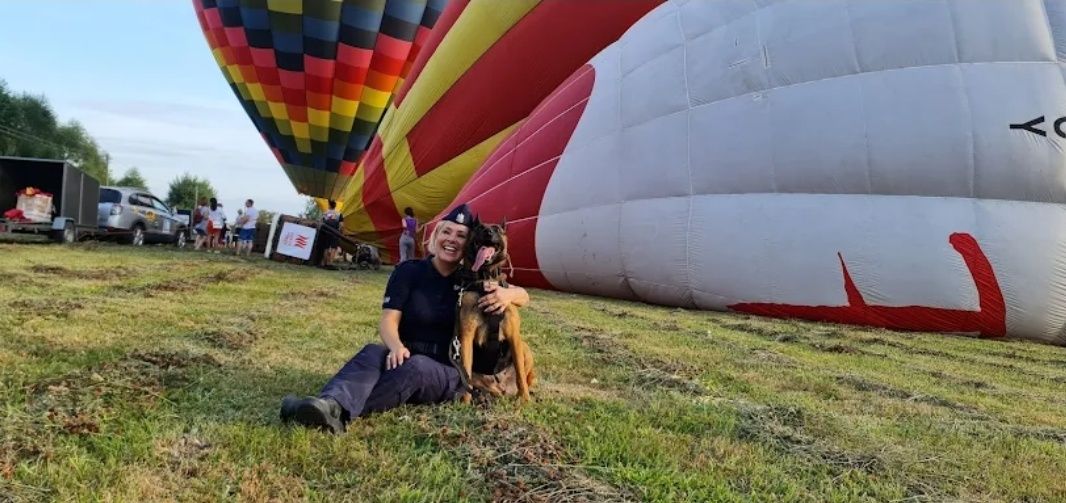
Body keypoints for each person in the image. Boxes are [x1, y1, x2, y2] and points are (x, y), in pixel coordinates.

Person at [280, 203, 530, 434]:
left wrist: (510, 294)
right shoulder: (409, 271)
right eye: (447, 232)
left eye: (461, 236)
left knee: (416, 368)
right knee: (372, 353)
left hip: (447, 369)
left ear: (470, 245)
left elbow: (522, 296)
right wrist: (397, 347)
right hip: (406, 352)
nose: (452, 239)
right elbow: (389, 320)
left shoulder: (471, 282)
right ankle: (329, 403)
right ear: (436, 236)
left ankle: (337, 412)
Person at [320, 200, 343, 267]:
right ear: (335, 206)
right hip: (335, 232)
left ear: (329, 205)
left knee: (326, 247)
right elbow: (341, 225)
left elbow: (321, 223)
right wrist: (340, 231)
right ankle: (330, 263)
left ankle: (324, 263)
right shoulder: (339, 214)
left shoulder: (325, 213)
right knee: (334, 247)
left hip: (326, 231)